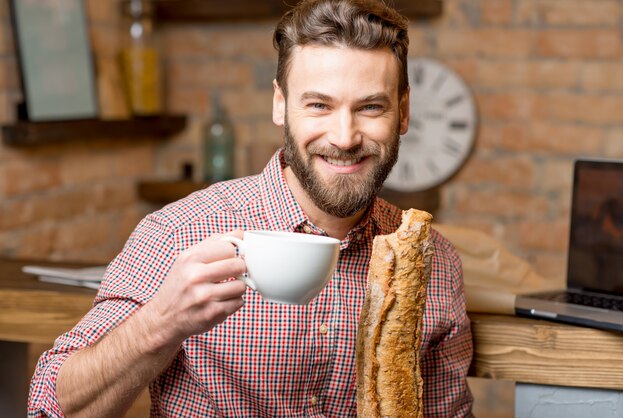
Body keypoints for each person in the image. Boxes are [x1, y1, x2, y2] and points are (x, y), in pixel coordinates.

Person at [28, 0, 474, 416]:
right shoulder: (180, 231)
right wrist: (161, 324)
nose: (344, 136)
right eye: (319, 105)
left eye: (370, 107)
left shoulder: (435, 263)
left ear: (403, 110)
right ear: (281, 105)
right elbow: (50, 404)